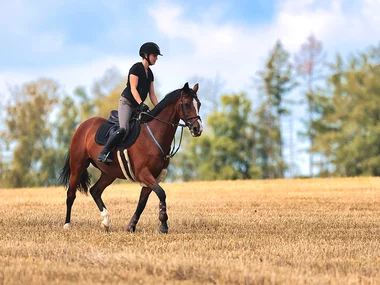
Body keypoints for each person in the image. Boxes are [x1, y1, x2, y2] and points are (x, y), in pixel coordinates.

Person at [97, 42, 162, 164]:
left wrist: (159, 109)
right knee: (124, 129)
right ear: (146, 55)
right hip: (127, 103)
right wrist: (141, 103)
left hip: (137, 107)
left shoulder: (150, 74)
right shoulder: (136, 68)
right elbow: (133, 88)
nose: (156, 58)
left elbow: (152, 94)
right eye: (154, 55)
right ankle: (104, 152)